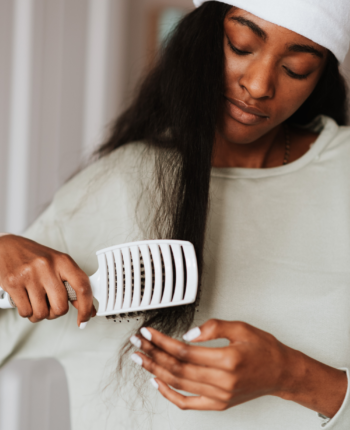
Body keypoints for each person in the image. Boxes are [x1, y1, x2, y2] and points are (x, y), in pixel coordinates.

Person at [1, 0, 350, 428]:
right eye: (240, 46)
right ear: (200, 38)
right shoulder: (117, 184)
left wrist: (293, 376)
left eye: (296, 68)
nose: (259, 85)